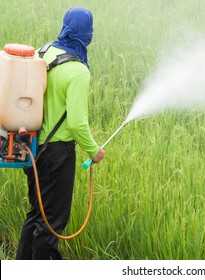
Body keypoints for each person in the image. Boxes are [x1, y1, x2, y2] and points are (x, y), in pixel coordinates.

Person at [16, 7, 104, 260]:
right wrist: (93, 151)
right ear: (86, 34)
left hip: (31, 147)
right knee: (52, 222)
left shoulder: (43, 52)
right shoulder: (78, 71)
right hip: (57, 153)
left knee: (36, 213)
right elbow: (77, 123)